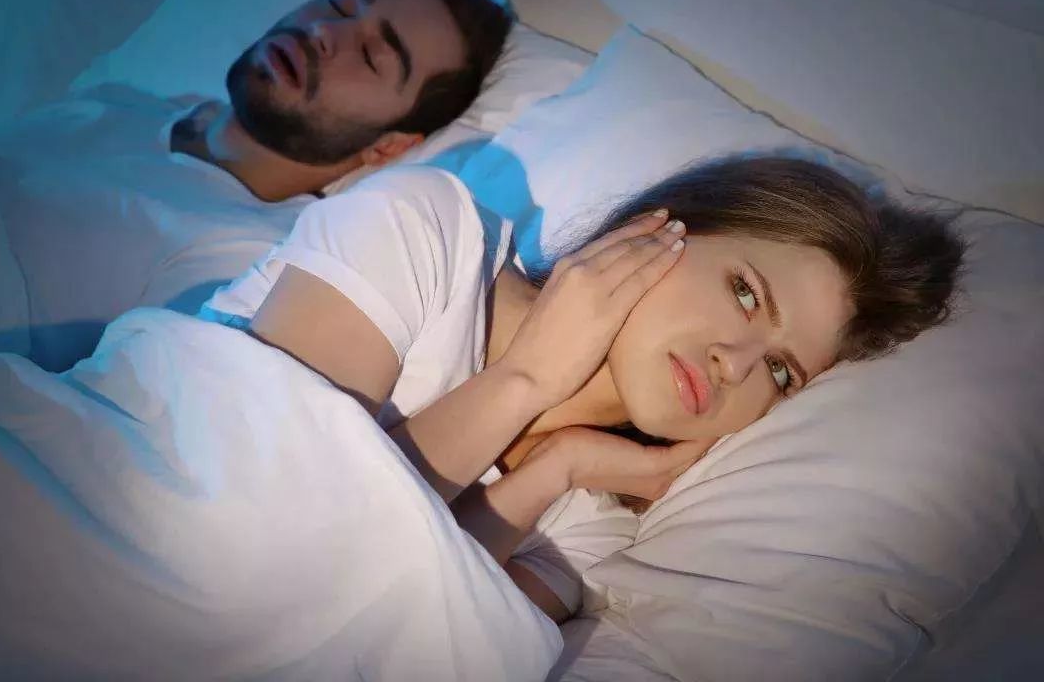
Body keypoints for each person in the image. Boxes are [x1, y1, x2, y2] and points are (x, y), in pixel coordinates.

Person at [206, 155, 965, 622]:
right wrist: (526, 380)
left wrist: (553, 470)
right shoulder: (423, 234)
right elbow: (270, 530)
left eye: (779, 372)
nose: (735, 364)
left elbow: (355, 633)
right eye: (744, 293)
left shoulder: (584, 533)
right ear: (660, 228)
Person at [0, 0, 512, 371]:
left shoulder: (249, 266)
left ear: (389, 148)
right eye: (341, 4)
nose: (327, 32)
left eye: (371, 57)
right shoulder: (127, 103)